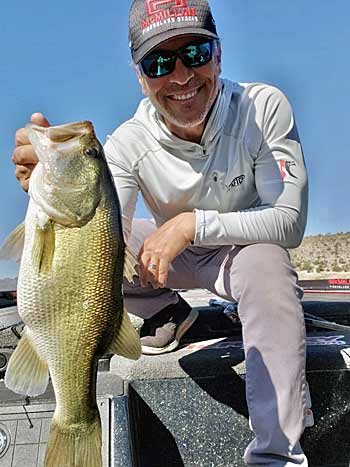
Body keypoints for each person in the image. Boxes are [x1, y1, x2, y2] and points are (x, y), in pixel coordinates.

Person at [12, 0, 309, 464]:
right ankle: (164, 311)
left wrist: (192, 224)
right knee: (103, 238)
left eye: (194, 53)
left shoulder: (263, 106)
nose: (180, 77)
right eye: (158, 62)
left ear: (218, 54)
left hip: (243, 256)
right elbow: (97, 236)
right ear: (139, 76)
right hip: (169, 262)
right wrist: (42, 194)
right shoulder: (129, 142)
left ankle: (276, 455)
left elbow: (289, 221)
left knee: (268, 265)